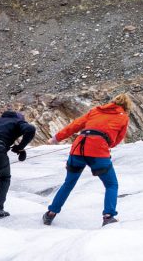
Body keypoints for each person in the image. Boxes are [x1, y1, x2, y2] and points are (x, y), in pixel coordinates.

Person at [42, 94, 132, 227]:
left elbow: (75, 125)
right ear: (126, 106)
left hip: (78, 148)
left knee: (68, 183)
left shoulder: (95, 111)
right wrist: (105, 143)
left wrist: (56, 138)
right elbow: (117, 140)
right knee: (111, 184)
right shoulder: (123, 117)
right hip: (98, 152)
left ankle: (50, 214)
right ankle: (108, 216)